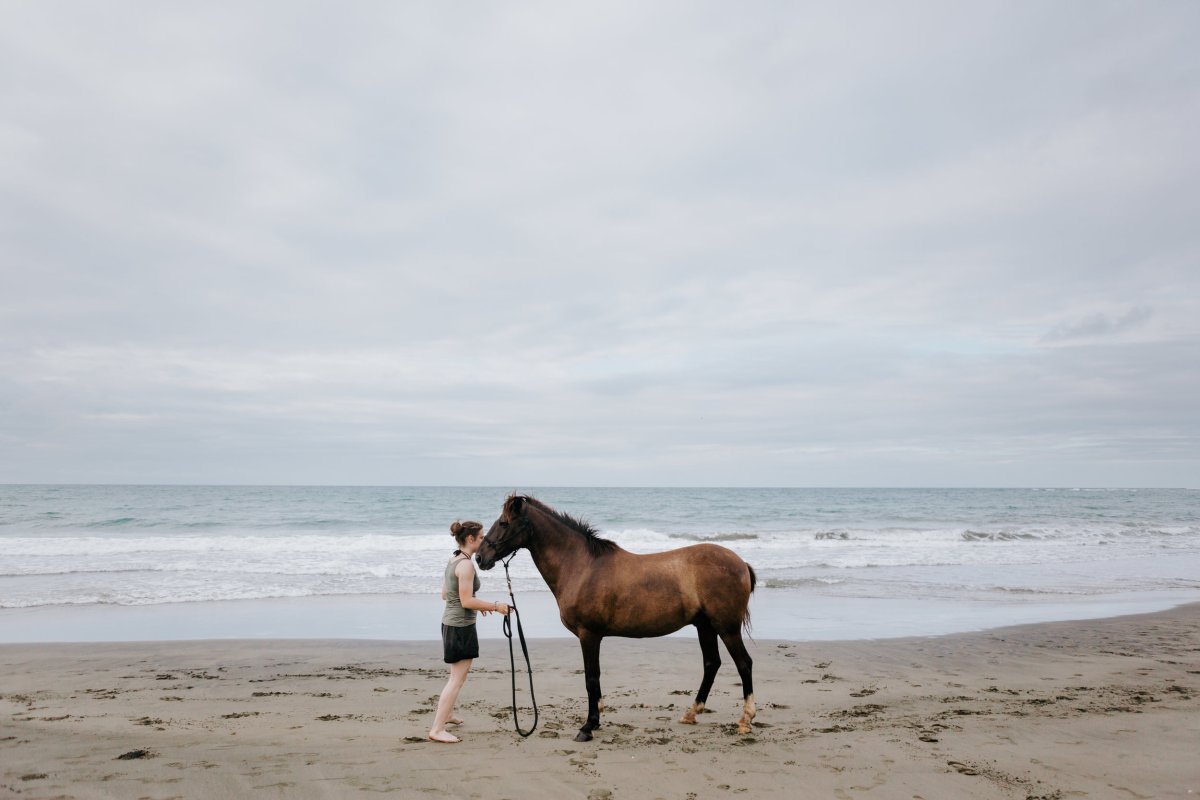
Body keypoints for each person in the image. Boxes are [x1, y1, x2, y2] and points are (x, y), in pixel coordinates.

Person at [428, 519, 510, 744]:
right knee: (457, 680)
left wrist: (476, 604)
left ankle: (449, 714)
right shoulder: (466, 565)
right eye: (482, 537)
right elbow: (465, 600)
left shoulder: (454, 559)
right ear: (471, 539)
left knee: (455, 676)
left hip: (450, 623)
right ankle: (437, 728)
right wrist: (495, 606)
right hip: (460, 627)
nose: (484, 540)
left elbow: (446, 594)